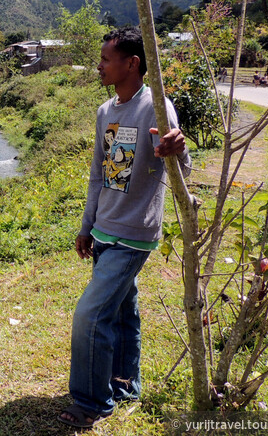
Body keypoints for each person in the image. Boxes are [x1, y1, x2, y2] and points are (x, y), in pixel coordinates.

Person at [59, 27, 191, 429]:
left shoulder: (157, 108)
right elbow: (99, 175)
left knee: (90, 315)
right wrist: (87, 227)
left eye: (105, 58)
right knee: (121, 313)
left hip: (134, 234)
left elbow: (179, 170)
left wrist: (179, 151)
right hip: (104, 231)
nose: (99, 65)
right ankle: (124, 384)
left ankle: (91, 402)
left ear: (131, 63)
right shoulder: (105, 112)